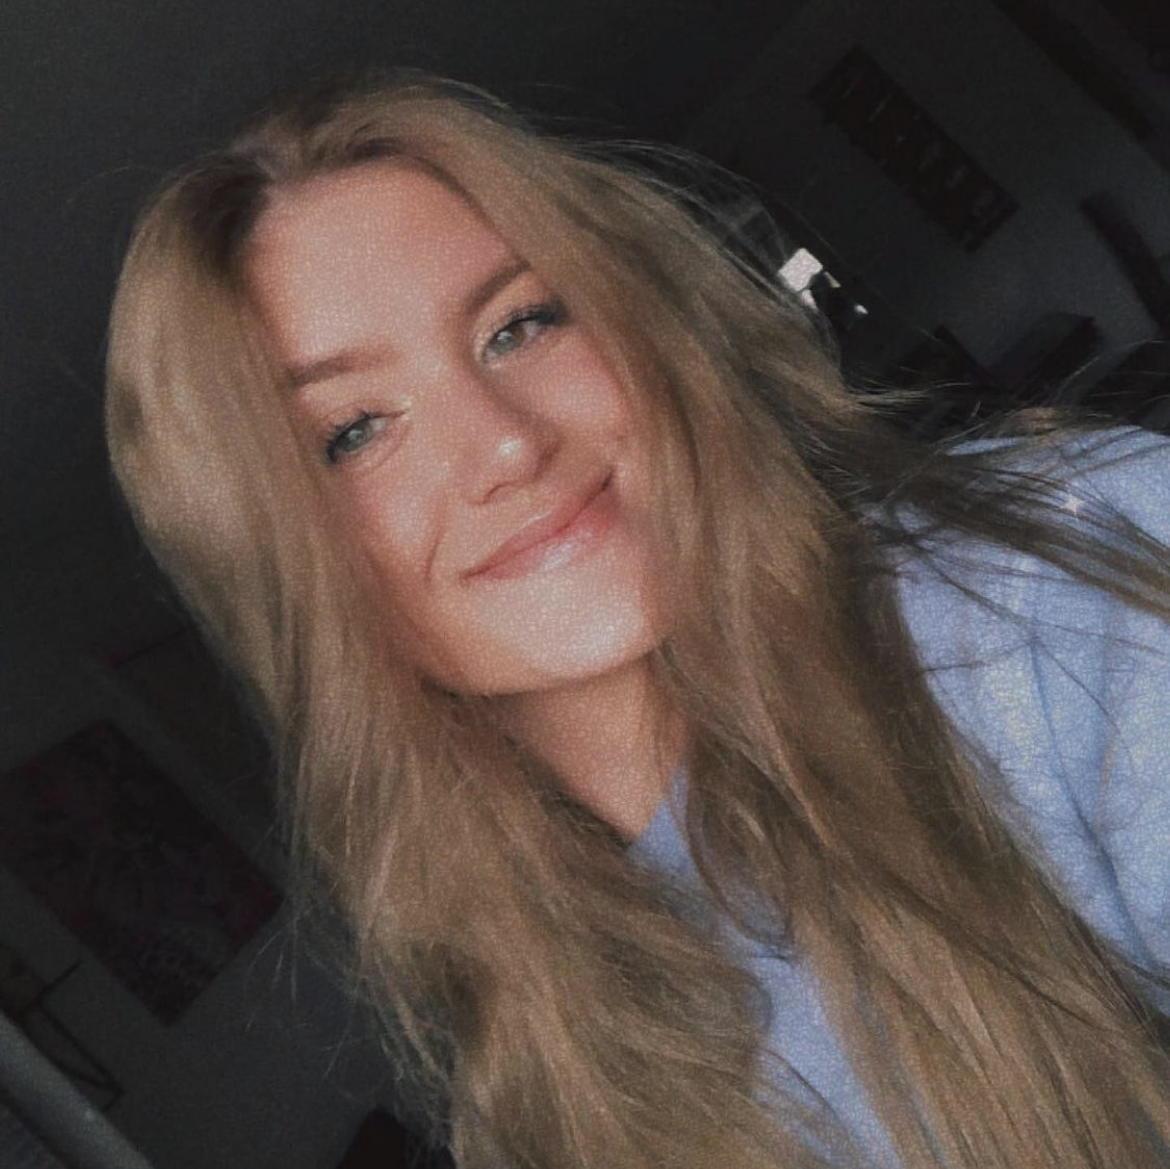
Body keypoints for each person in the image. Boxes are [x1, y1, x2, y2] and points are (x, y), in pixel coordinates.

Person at [103, 70, 1170, 1169]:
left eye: (520, 325)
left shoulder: (1046, 587)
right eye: (354, 432)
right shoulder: (540, 1080)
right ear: (284, 575)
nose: (506, 442)